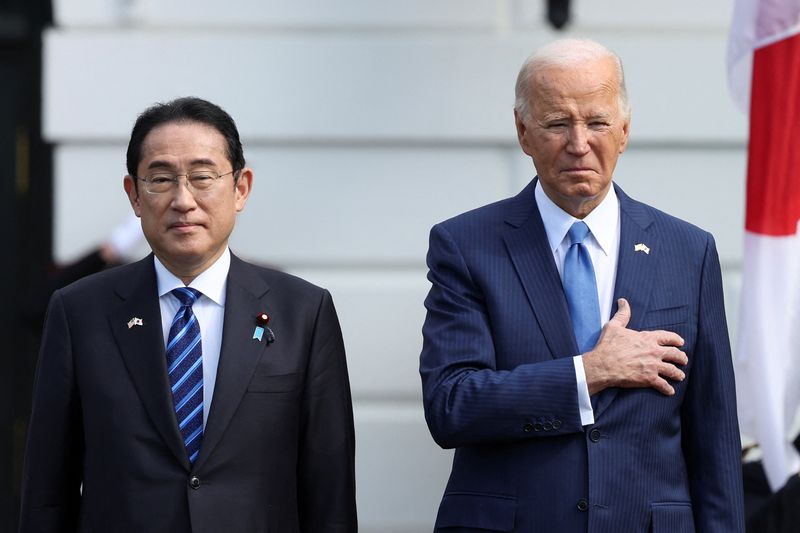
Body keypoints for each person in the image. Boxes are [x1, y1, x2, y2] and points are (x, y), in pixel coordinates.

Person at [420, 39, 744, 532]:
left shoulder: (689, 251)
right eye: (557, 124)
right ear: (523, 131)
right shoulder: (466, 245)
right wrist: (588, 372)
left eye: (596, 122)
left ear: (625, 130)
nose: (578, 143)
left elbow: (714, 439)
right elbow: (452, 406)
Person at [19, 97, 357, 533]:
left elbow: (329, 491)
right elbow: (48, 491)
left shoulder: (302, 313)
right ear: (134, 195)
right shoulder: (80, 312)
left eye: (202, 177)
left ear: (241, 188)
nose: (183, 200)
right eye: (160, 179)